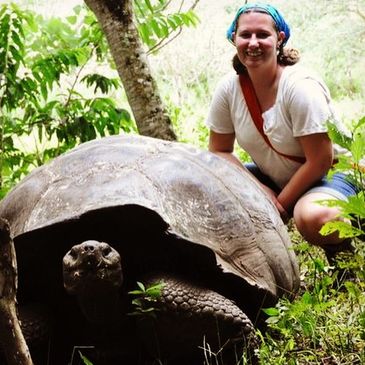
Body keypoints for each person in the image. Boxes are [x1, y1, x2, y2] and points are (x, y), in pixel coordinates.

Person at [205, 3, 360, 254]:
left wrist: (278, 204)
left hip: (332, 174)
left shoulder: (299, 87)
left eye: (263, 35)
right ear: (234, 39)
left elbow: (321, 160)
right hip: (278, 177)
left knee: (314, 217)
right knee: (210, 182)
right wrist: (263, 190)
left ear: (279, 39)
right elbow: (219, 151)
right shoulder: (228, 89)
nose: (253, 43)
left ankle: (344, 255)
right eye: (245, 34)